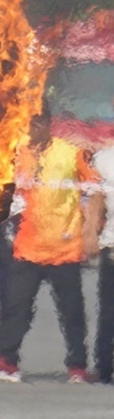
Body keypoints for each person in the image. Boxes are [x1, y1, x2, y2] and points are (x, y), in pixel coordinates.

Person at [0, 112, 102, 384]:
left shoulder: (71, 153)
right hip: (26, 246)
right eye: (28, 124)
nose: (32, 129)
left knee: (72, 311)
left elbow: (93, 191)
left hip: (63, 247)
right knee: (15, 306)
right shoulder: (17, 153)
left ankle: (77, 367)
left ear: (47, 124)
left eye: (37, 123)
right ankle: (7, 361)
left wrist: (90, 231)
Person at [94, 130, 114, 384]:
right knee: (109, 312)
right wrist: (89, 233)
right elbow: (96, 200)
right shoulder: (104, 159)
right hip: (112, 244)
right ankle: (104, 366)